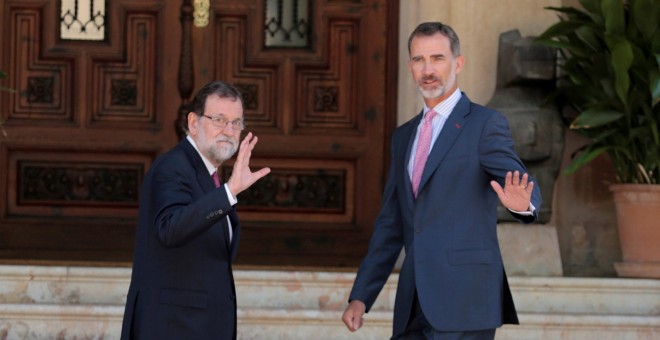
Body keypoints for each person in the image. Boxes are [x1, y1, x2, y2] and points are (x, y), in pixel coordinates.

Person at [341, 22, 542, 339]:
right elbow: (391, 223)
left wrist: (525, 205)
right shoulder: (403, 136)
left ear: (458, 63)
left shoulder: (484, 124)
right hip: (413, 304)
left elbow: (519, 182)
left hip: (465, 301)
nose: (427, 69)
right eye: (419, 60)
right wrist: (361, 295)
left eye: (437, 58)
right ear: (410, 66)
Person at [120, 81, 270, 339]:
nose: (229, 130)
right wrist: (229, 192)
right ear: (193, 123)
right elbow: (170, 228)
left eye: (236, 123)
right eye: (219, 120)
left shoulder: (208, 175)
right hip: (173, 327)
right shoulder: (172, 167)